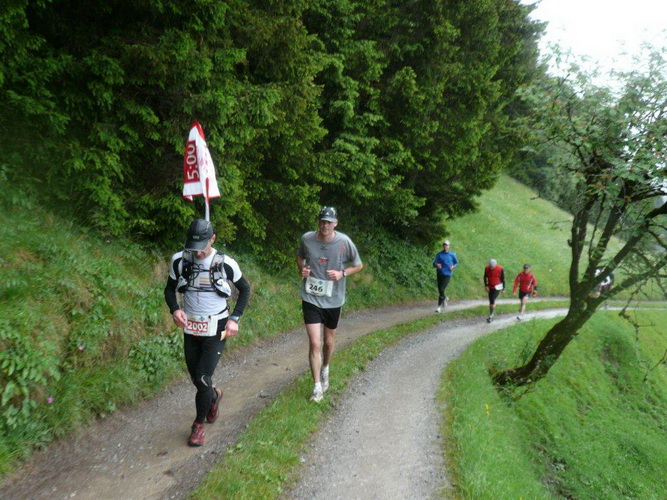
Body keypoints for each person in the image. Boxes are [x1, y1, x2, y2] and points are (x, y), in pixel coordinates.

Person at [164, 219, 251, 447]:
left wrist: (234, 319)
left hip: (217, 327)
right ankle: (214, 396)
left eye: (202, 247)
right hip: (191, 326)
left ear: (213, 239)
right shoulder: (180, 260)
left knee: (203, 377)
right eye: (194, 247)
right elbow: (169, 289)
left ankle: (198, 426)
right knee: (197, 378)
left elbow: (245, 289)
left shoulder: (226, 263)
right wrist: (175, 309)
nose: (198, 253)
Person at [297, 206, 363, 403]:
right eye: (322, 221)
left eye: (329, 222)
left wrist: (342, 273)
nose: (325, 225)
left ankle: (325, 367)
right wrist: (302, 268)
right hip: (311, 297)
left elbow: (358, 265)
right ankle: (317, 387)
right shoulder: (307, 239)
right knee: (315, 342)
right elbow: (300, 257)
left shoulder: (344, 242)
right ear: (319, 222)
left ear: (335, 223)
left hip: (334, 299)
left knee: (328, 342)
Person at [433, 240, 458, 313]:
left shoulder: (452, 255)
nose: (445, 246)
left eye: (447, 245)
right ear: (443, 246)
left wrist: (453, 266)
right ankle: (445, 298)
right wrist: (437, 265)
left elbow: (456, 263)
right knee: (440, 290)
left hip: (447, 274)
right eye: (444, 245)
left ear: (449, 246)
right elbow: (434, 263)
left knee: (442, 289)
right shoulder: (439, 254)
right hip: (439, 273)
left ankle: (439, 307)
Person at [483, 259, 505, 323]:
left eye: (492, 266)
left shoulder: (500, 269)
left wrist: (503, 288)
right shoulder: (487, 268)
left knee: (492, 300)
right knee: (491, 301)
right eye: (490, 266)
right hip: (490, 286)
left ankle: (491, 316)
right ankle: (491, 314)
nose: (491, 268)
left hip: (497, 287)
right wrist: (486, 285)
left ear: (495, 265)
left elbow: (503, 279)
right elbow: (485, 277)